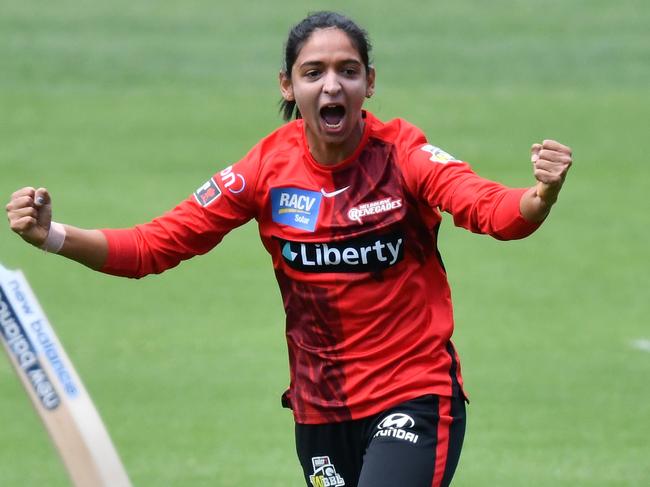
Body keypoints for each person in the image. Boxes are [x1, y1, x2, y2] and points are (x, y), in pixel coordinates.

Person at [5, 11, 572, 487]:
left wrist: (540, 195)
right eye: (314, 72)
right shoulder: (265, 171)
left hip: (413, 395)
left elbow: (490, 209)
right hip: (320, 411)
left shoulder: (405, 154)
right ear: (287, 85)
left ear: (369, 83)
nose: (332, 86)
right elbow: (155, 245)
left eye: (348, 71)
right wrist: (53, 236)